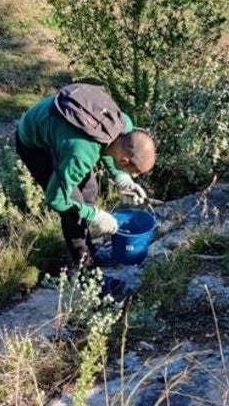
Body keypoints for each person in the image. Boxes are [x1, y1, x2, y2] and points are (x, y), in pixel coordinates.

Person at [15, 83, 156, 272]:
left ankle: (90, 250)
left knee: (89, 190)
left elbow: (109, 147)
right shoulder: (79, 154)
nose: (136, 176)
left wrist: (124, 179)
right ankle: (85, 269)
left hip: (65, 133)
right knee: (72, 211)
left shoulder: (125, 126)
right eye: (135, 172)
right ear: (125, 159)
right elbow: (55, 199)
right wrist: (95, 215)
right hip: (35, 144)